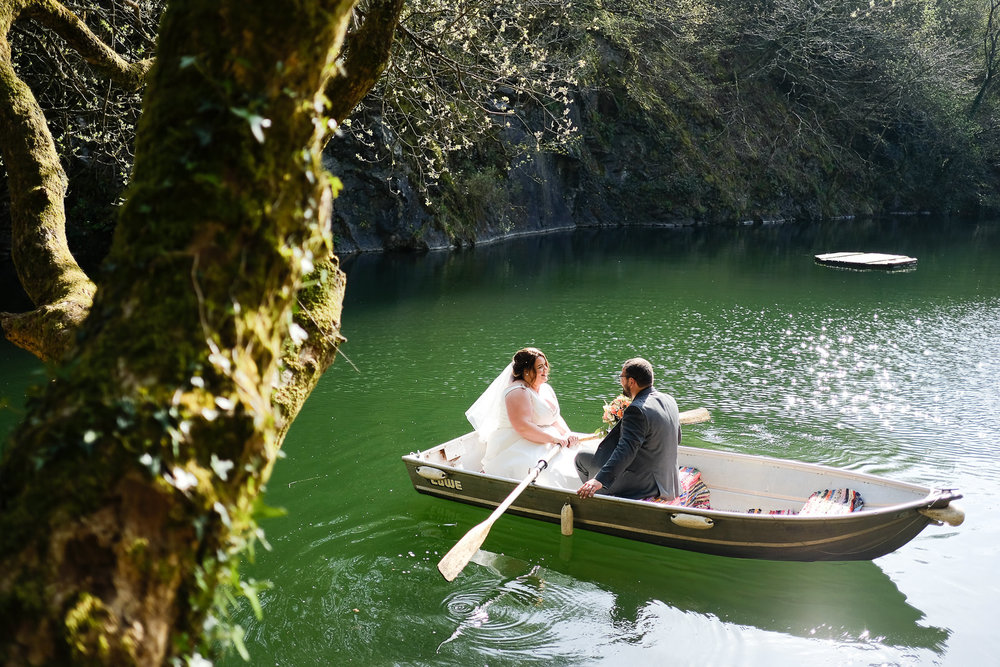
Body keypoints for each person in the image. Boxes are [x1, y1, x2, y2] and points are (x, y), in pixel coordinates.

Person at [466, 347, 582, 488]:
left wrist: (567, 434)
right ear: (526, 371)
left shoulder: (545, 388)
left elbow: (554, 417)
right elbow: (523, 426)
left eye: (546, 365)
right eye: (540, 367)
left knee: (576, 456)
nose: (546, 369)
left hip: (546, 438)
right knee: (552, 472)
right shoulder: (518, 391)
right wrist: (554, 439)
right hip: (519, 441)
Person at [576, 358, 681, 500]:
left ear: (631, 382)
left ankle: (599, 500)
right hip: (668, 481)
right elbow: (677, 438)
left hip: (645, 485)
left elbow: (626, 450)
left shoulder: (636, 409)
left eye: (621, 377)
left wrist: (599, 480)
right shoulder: (669, 400)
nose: (620, 381)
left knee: (581, 458)